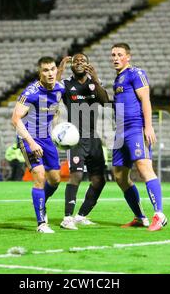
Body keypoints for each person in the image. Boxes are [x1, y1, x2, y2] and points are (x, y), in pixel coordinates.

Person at [111, 43, 167, 232]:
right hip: (119, 131)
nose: (115, 58)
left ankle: (159, 215)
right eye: (113, 55)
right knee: (119, 176)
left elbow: (145, 99)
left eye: (119, 54)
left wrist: (148, 126)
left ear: (128, 56)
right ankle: (139, 217)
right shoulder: (118, 79)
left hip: (135, 128)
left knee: (144, 168)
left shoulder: (136, 73)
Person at [55, 53, 109, 230]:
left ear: (88, 64)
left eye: (82, 61)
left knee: (99, 180)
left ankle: (81, 215)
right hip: (75, 136)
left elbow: (105, 100)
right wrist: (60, 68)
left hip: (93, 136)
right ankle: (67, 217)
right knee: (76, 175)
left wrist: (95, 79)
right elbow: (53, 89)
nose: (78, 63)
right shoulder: (66, 84)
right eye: (75, 61)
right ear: (72, 66)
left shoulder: (94, 83)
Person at [11, 56, 65, 233]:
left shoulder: (59, 88)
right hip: (28, 137)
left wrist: (56, 130)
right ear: (39, 73)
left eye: (52, 69)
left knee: (55, 180)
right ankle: (41, 223)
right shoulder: (31, 92)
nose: (49, 73)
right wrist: (31, 142)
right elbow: (15, 119)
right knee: (39, 176)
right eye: (45, 70)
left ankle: (41, 202)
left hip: (47, 138)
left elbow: (54, 108)